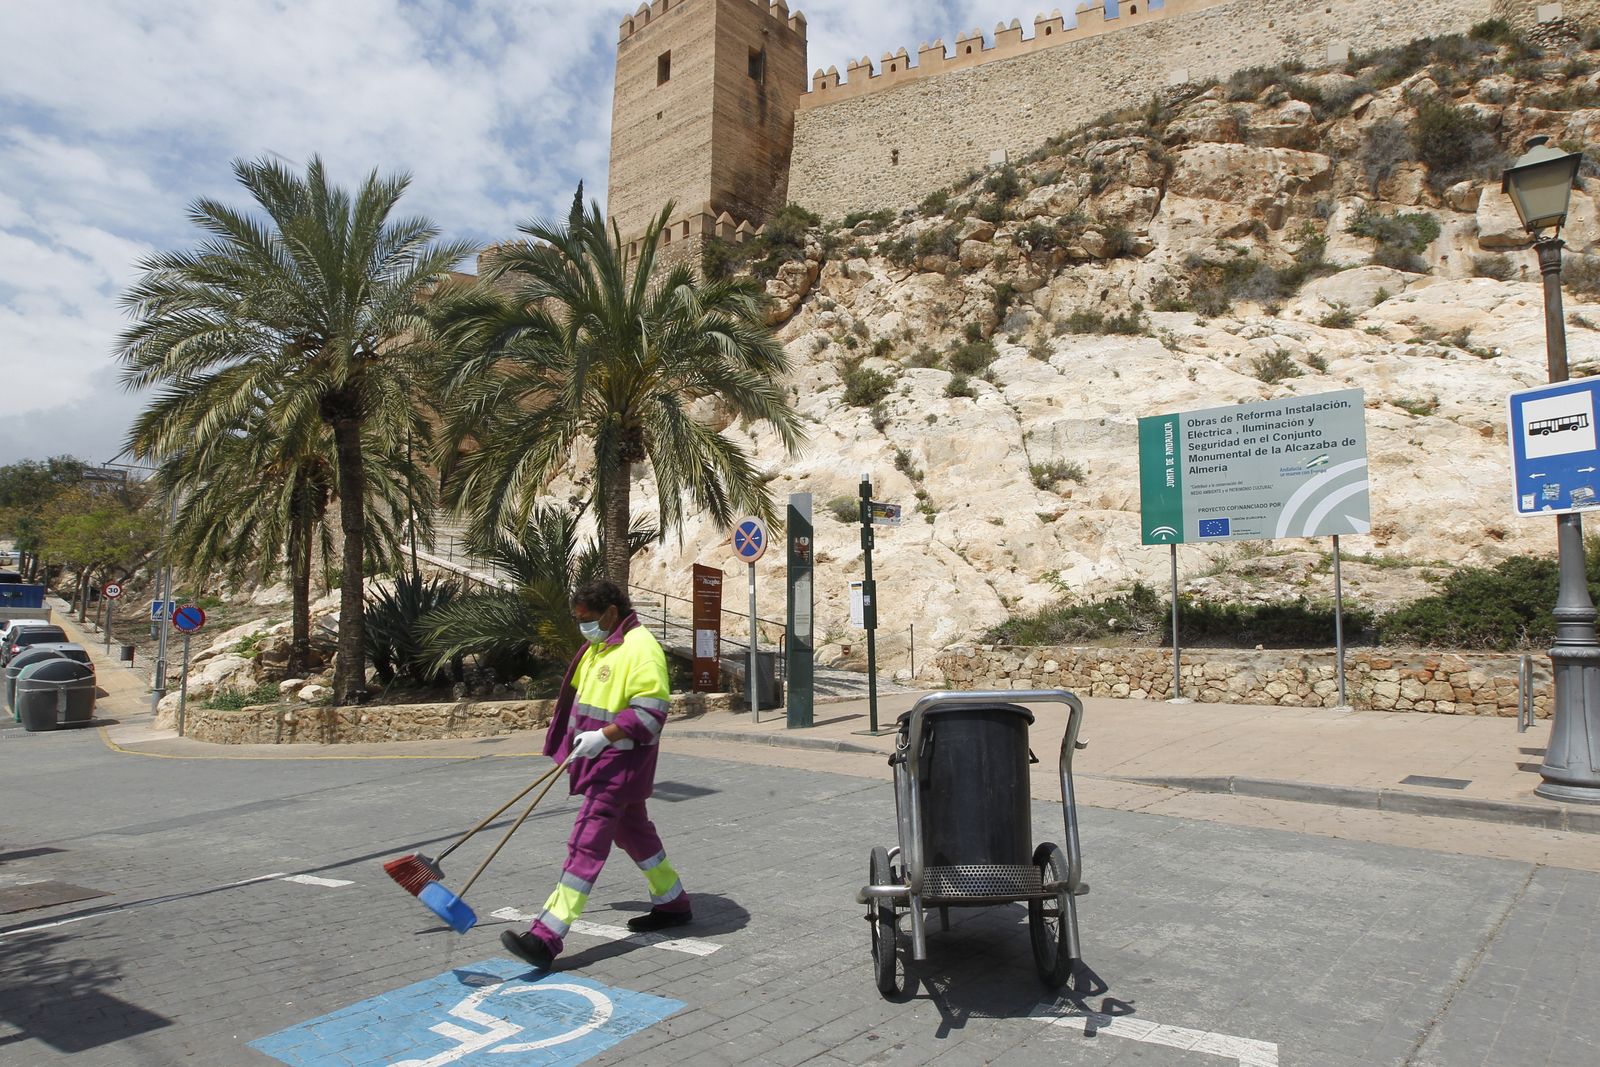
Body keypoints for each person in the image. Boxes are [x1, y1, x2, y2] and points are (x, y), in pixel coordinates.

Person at [501, 580, 692, 971]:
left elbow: (650, 714)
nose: (582, 627)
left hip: (617, 767)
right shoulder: (600, 648)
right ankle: (673, 902)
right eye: (577, 620)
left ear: (610, 613)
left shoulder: (642, 650)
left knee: (585, 844)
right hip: (599, 762)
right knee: (635, 834)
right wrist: (576, 743)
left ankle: (546, 935)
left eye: (586, 619)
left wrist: (602, 736)